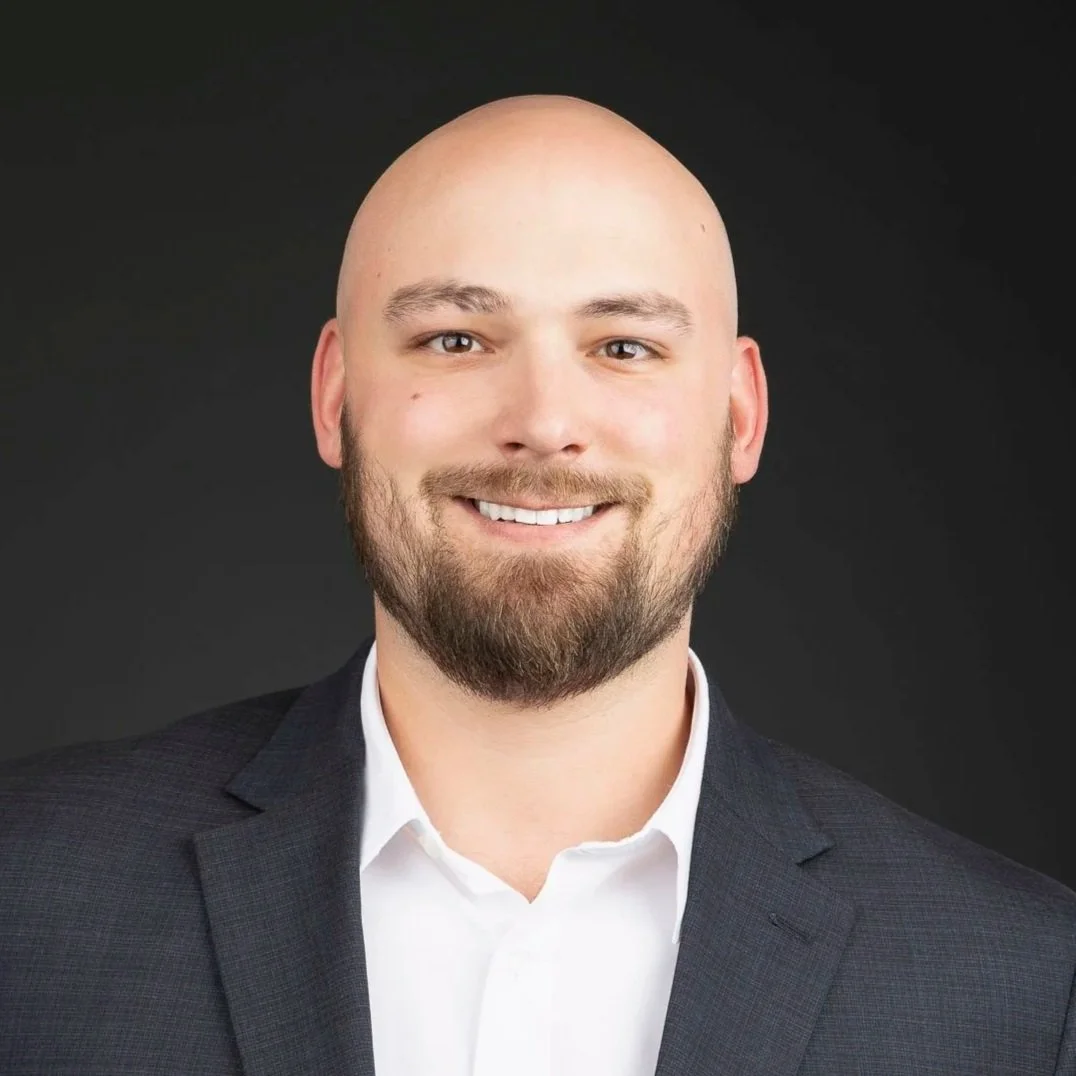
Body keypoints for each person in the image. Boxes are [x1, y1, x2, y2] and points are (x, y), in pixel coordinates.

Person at [1, 94, 1073, 1076]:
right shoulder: (27, 900)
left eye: (623, 344)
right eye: (455, 337)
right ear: (335, 396)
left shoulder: (1023, 988)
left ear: (739, 416)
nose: (544, 421)